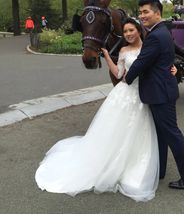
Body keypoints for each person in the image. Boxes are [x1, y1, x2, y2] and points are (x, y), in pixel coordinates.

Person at [35, 18, 175, 202]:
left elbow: (159, 62)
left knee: (142, 133)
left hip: (144, 95)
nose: (128, 34)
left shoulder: (149, 47)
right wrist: (108, 56)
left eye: (131, 30)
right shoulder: (124, 50)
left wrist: (171, 69)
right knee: (116, 132)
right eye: (125, 32)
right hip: (124, 94)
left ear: (139, 31)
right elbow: (118, 73)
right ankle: (113, 165)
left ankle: (138, 166)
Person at [124, 0, 184, 189]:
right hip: (161, 90)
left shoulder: (156, 36)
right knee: (161, 134)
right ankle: (160, 169)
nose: (142, 16)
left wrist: (127, 78)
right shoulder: (161, 31)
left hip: (160, 93)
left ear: (157, 13)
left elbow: (142, 62)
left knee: (172, 134)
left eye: (146, 12)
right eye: (140, 12)